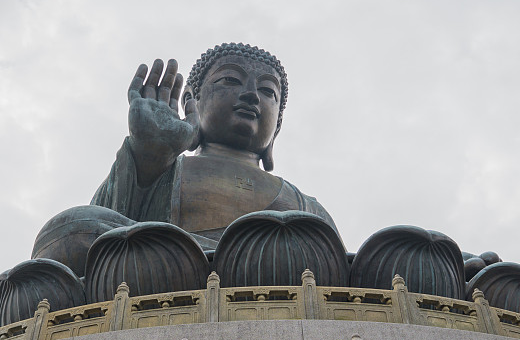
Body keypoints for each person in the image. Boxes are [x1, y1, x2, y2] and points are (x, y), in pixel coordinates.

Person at [90, 42, 337, 244]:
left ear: (277, 126)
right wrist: (148, 154)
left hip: (279, 277)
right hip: (169, 263)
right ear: (191, 101)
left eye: (267, 91)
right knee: (77, 226)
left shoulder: (306, 206)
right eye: (230, 80)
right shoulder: (163, 170)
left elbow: (334, 266)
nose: (251, 94)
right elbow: (105, 225)